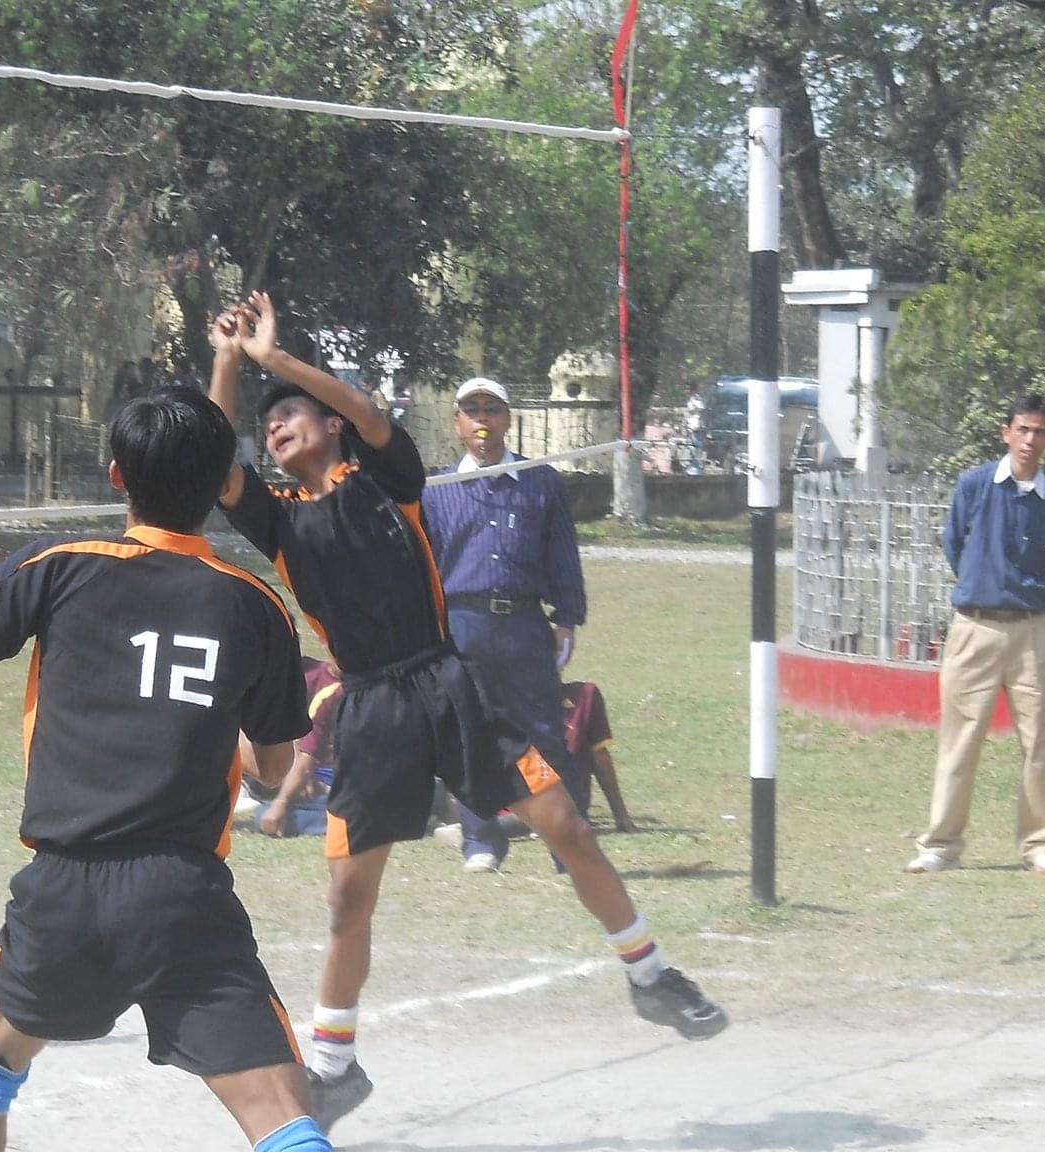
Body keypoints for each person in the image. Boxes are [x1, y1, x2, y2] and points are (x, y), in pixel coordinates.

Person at [206, 291, 726, 1134]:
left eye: (291, 414)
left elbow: (369, 413)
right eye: (268, 425)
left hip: (449, 685)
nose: (276, 428)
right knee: (347, 900)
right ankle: (334, 1067)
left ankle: (651, 975)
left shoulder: (390, 479)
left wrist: (277, 359)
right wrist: (227, 360)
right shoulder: (277, 518)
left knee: (566, 826)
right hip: (370, 708)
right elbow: (209, 461)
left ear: (330, 423)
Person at [0, 385, 331, 1152]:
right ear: (224, 483)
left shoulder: (58, 567)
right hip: (182, 896)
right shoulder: (255, 604)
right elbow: (270, 766)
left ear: (118, 476)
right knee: (282, 1113)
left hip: (64, 887)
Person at [419, 378, 591, 873]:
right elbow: (423, 565)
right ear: (457, 423)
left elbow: (562, 554)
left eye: (491, 409)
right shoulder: (436, 491)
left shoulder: (540, 482)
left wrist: (567, 618)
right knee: (469, 732)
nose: (482, 419)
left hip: (523, 624)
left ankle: (567, 843)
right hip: (460, 624)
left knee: (544, 733)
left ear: (507, 419)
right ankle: (481, 839)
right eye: (471, 410)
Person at [908, 395, 1045, 875]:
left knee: (1038, 743)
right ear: (1006, 432)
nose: (1029, 440)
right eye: (1022, 429)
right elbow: (955, 544)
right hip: (974, 628)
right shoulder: (975, 484)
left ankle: (1041, 844)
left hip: (1031, 632)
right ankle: (941, 846)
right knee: (959, 741)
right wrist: (983, 584)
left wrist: (1026, 597)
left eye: (1039, 431)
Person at [235, 657, 340, 838]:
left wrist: (281, 803)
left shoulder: (344, 690)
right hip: (302, 769)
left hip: (330, 777)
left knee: (267, 814)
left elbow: (307, 759)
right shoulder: (305, 675)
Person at [565, 681, 635, 834]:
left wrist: (621, 815)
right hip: (522, 812)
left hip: (570, 812)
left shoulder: (584, 696)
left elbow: (599, 756)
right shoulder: (514, 701)